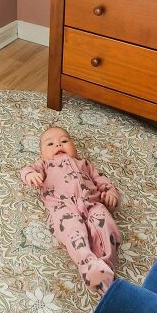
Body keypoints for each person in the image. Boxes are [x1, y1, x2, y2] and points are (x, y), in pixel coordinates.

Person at [21, 126, 121, 294]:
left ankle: (104, 267)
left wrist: (110, 194)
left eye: (65, 141)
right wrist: (30, 175)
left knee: (105, 225)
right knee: (74, 232)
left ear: (75, 148)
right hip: (62, 207)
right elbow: (27, 170)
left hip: (93, 204)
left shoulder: (85, 164)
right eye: (50, 144)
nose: (58, 145)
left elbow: (103, 181)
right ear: (41, 154)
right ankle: (87, 262)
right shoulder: (44, 164)